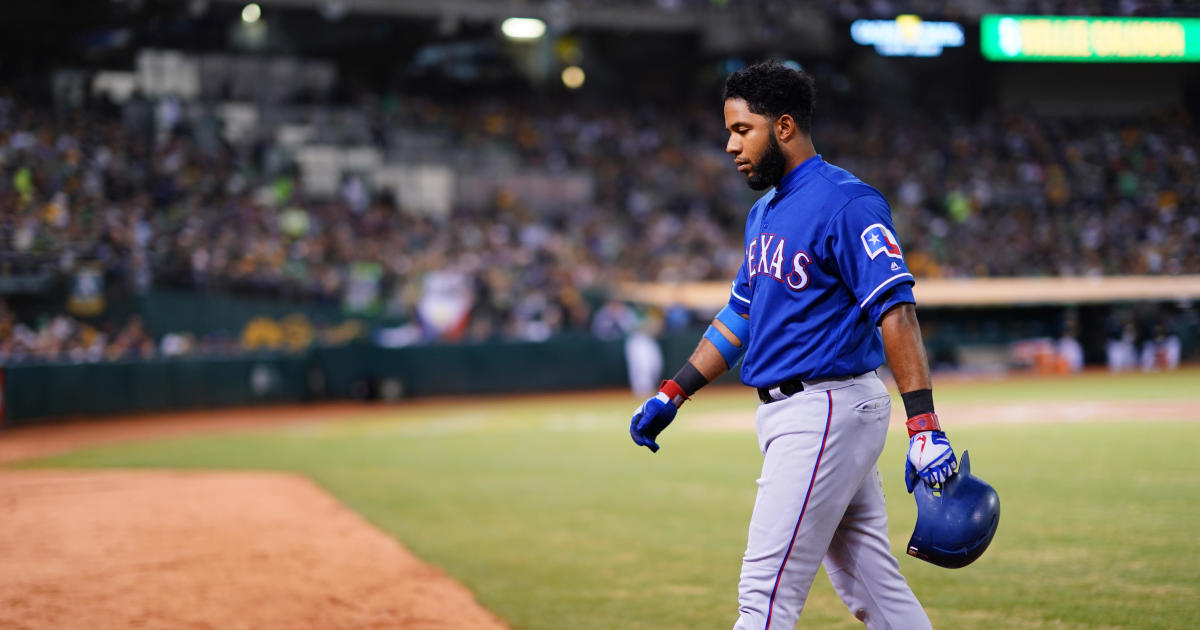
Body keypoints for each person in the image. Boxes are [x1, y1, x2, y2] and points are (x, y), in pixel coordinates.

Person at [628, 61, 957, 629]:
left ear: (784, 127)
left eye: (741, 129)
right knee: (869, 588)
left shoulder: (847, 203)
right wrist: (673, 392)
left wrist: (924, 425)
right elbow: (741, 316)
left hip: (824, 408)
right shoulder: (764, 212)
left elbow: (895, 310)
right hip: (803, 413)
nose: (729, 144)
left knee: (764, 597)